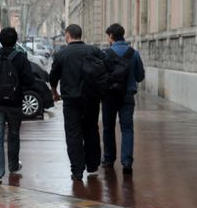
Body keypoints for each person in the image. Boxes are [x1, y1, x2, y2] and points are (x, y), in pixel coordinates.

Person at [0, 27, 35, 184]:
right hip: (14, 102)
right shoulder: (21, 58)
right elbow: (30, 80)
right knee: (14, 134)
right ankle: (13, 165)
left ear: (0, 40)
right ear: (16, 41)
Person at [49, 24, 106, 181]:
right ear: (81, 35)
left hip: (71, 100)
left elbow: (53, 76)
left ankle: (77, 170)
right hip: (92, 99)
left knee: (73, 134)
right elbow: (105, 67)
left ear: (67, 36)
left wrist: (55, 92)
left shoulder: (62, 54)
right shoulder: (93, 50)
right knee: (91, 130)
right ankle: (93, 164)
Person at [101, 23, 145, 175]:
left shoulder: (105, 54)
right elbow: (140, 76)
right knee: (127, 129)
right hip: (127, 96)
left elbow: (101, 76)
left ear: (111, 36)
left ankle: (108, 159)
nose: (107, 39)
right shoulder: (134, 53)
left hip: (109, 96)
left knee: (108, 128)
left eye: (108, 36)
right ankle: (126, 162)